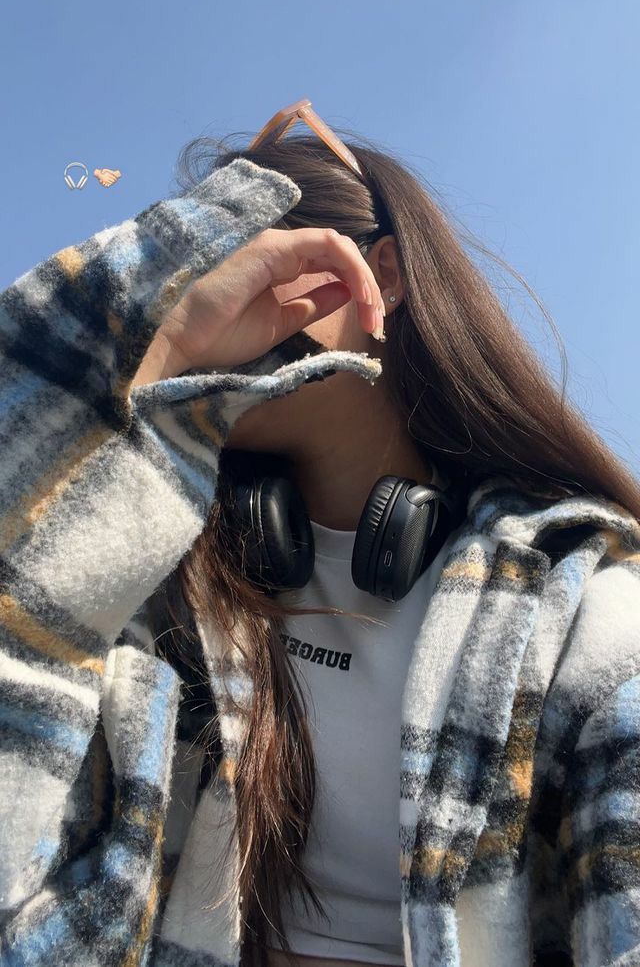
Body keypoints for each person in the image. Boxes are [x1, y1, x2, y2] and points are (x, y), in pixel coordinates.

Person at [1, 98, 639, 967]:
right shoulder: (149, 583)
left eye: (249, 262)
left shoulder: (581, 622)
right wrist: (144, 373)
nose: (221, 310)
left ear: (383, 275)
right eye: (186, 287)